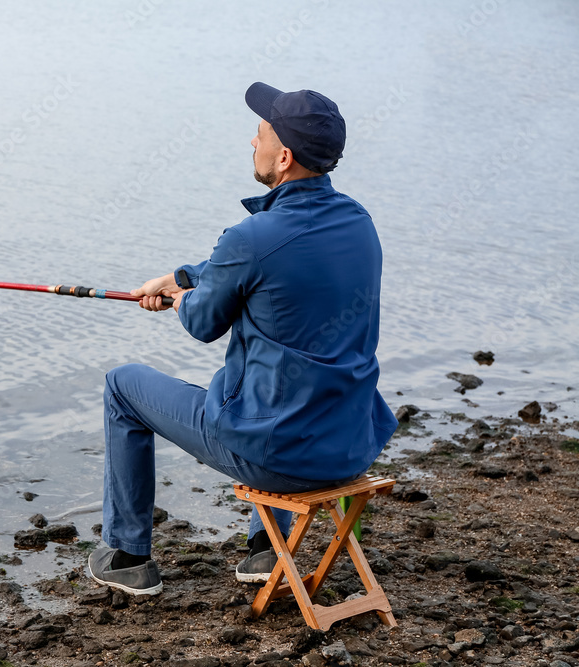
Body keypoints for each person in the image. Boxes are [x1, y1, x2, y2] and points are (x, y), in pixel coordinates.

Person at [87, 82, 398, 596]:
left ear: (284, 157)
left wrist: (183, 299)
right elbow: (273, 263)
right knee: (285, 384)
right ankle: (263, 551)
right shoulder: (358, 223)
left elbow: (204, 324)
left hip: (277, 459)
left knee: (124, 387)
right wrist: (183, 276)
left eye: (259, 136)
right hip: (349, 446)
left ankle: (126, 555)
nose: (250, 144)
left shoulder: (249, 238)